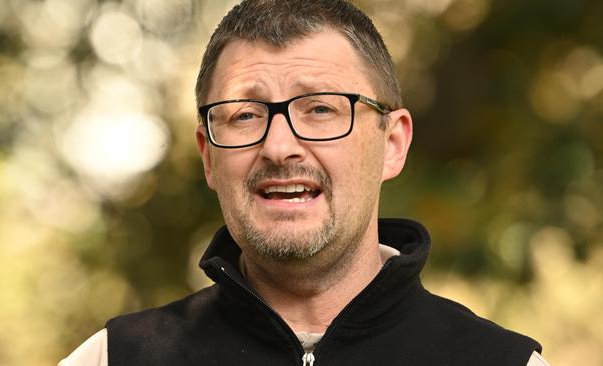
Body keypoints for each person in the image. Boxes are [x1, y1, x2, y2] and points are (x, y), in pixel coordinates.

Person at [59, 1, 549, 365]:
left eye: (319, 108)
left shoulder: (501, 363)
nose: (278, 147)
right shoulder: (114, 359)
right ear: (208, 156)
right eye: (245, 115)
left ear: (392, 143)